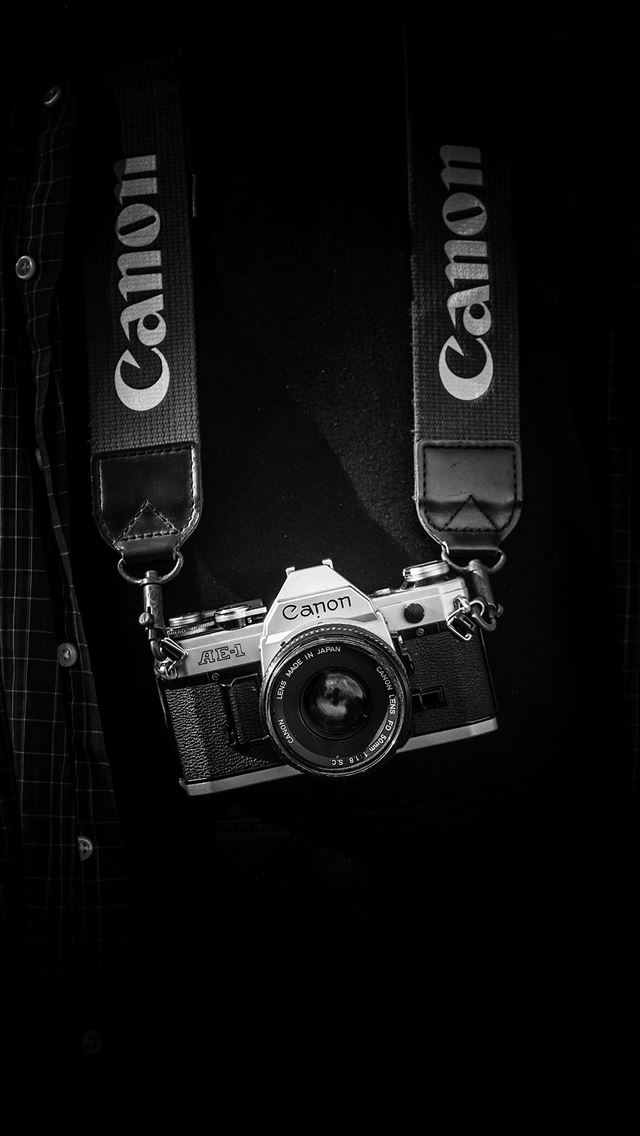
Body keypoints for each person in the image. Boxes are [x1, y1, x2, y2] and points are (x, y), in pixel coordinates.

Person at [0, 10, 631, 1070]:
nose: (335, 703)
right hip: (161, 976)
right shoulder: (81, 123)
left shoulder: (518, 93)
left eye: (331, 696)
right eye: (336, 696)